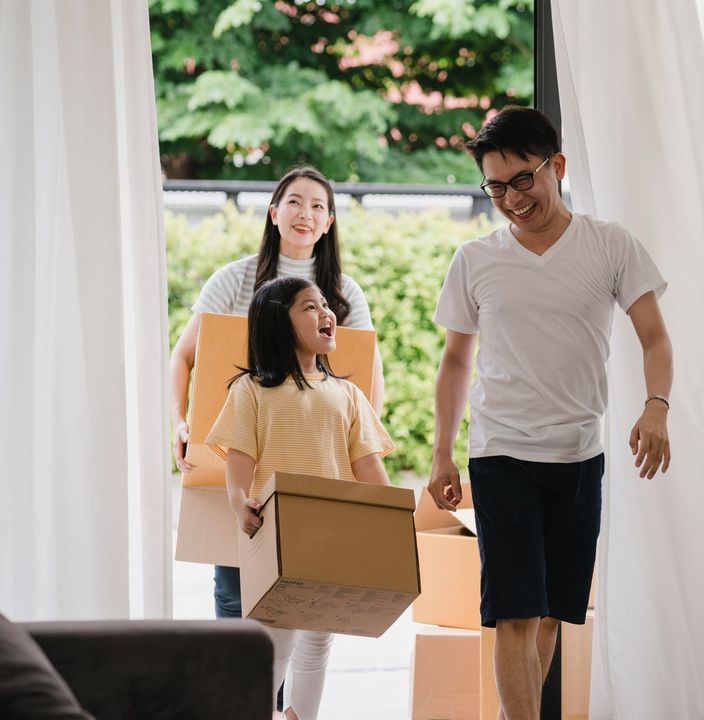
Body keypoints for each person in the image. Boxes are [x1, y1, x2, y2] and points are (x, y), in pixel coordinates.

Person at [428, 106, 673, 720]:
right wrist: (441, 452)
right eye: (495, 187)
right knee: (512, 610)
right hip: (500, 452)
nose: (512, 198)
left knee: (548, 614)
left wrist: (656, 408)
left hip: (578, 455)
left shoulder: (611, 245)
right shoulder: (475, 260)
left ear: (556, 166)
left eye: (523, 179)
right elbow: (455, 363)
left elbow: (654, 338)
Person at [169, 165, 385, 617]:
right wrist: (179, 420)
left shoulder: (344, 294)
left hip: (315, 467)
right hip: (239, 456)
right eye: (294, 202)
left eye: (318, 206)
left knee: (308, 604)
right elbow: (185, 356)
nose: (305, 213)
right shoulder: (234, 278)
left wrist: (365, 454)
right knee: (235, 593)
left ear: (329, 222)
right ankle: (249, 690)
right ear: (273, 213)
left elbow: (366, 378)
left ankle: (278, 691)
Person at [206, 276, 394, 720]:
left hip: (331, 536)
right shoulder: (251, 390)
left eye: (326, 305)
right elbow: (240, 457)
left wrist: (390, 523)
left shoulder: (347, 394)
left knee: (319, 638)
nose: (326, 313)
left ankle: (300, 716)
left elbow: (369, 467)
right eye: (310, 307)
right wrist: (238, 502)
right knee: (277, 640)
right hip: (276, 534)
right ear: (277, 321)